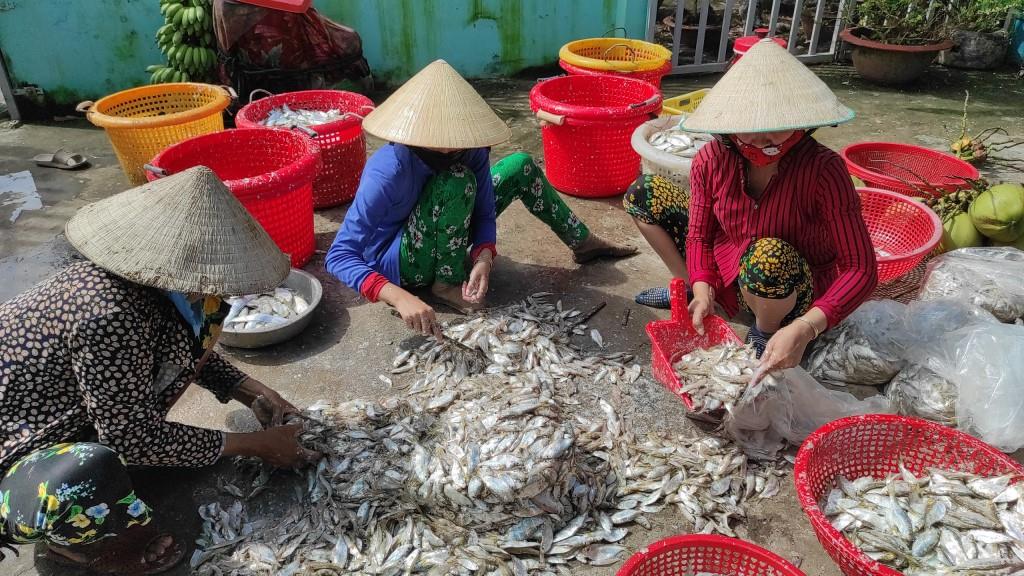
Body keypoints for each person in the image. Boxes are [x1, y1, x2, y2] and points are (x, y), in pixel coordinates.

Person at [0, 167, 318, 575]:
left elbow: (185, 347)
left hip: (63, 411)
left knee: (198, 328)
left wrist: (245, 386)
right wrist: (255, 444)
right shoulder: (109, 314)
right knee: (86, 474)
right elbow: (133, 438)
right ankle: (88, 551)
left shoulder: (162, 290)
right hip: (12, 450)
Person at [326, 60, 636, 337]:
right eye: (445, 142)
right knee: (455, 183)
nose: (454, 148)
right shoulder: (389, 171)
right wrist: (398, 297)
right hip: (401, 258)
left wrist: (485, 256)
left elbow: (485, 212)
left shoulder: (470, 150)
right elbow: (339, 256)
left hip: (448, 222)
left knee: (519, 165)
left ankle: (583, 243)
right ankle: (446, 284)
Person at [625, 39, 877, 374]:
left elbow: (861, 269)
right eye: (749, 130)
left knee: (767, 256)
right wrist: (701, 285)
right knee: (644, 193)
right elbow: (699, 236)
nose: (761, 140)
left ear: (802, 124)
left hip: (792, 285)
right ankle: (695, 295)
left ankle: (768, 328)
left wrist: (807, 327)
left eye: (775, 130)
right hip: (730, 267)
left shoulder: (823, 169)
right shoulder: (710, 159)